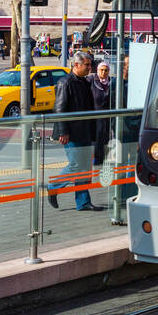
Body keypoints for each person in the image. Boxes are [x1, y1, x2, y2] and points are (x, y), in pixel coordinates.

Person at [47, 51, 101, 211]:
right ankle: (53, 185)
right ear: (76, 65)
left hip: (84, 131)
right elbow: (59, 108)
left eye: (90, 65)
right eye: (87, 65)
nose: (90, 68)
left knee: (84, 167)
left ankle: (83, 202)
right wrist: (63, 131)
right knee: (77, 165)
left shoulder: (84, 82)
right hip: (71, 133)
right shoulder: (66, 82)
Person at [90, 60, 113, 166]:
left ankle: (105, 157)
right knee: (97, 137)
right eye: (101, 70)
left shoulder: (112, 83)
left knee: (107, 137)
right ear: (97, 70)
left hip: (108, 116)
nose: (103, 72)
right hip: (95, 115)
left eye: (106, 70)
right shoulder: (91, 81)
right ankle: (97, 158)